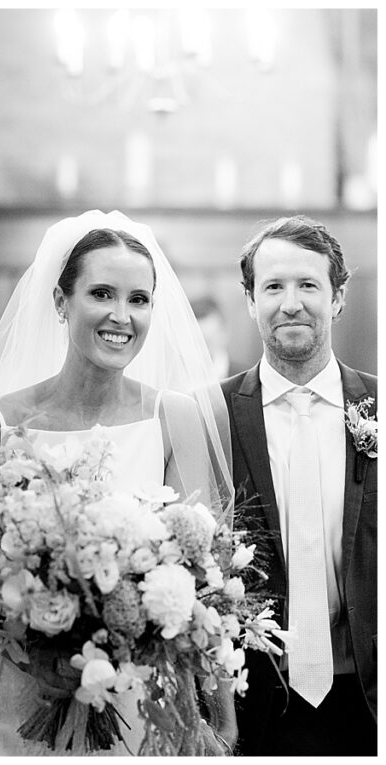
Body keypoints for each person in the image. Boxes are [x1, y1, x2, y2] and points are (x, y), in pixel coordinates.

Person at [0, 210, 235, 755]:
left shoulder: (176, 418)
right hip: (16, 704)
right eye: (101, 293)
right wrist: (37, 653)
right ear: (61, 302)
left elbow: (206, 587)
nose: (121, 316)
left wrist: (222, 721)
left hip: (137, 705)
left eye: (138, 299)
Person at [222, 216, 376, 756]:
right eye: (273, 286)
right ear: (250, 301)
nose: (291, 303)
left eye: (308, 285)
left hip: (370, 698)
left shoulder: (381, 408)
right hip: (251, 703)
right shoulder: (211, 415)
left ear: (337, 297)